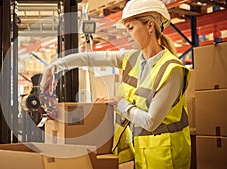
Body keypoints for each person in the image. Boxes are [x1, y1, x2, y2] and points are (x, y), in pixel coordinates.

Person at [40, 0, 191, 168]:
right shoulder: (132, 59)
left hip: (165, 157)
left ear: (149, 26)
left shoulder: (172, 70)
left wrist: (120, 103)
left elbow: (150, 122)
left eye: (130, 28)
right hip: (141, 152)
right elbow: (89, 58)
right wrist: (55, 66)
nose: (126, 34)